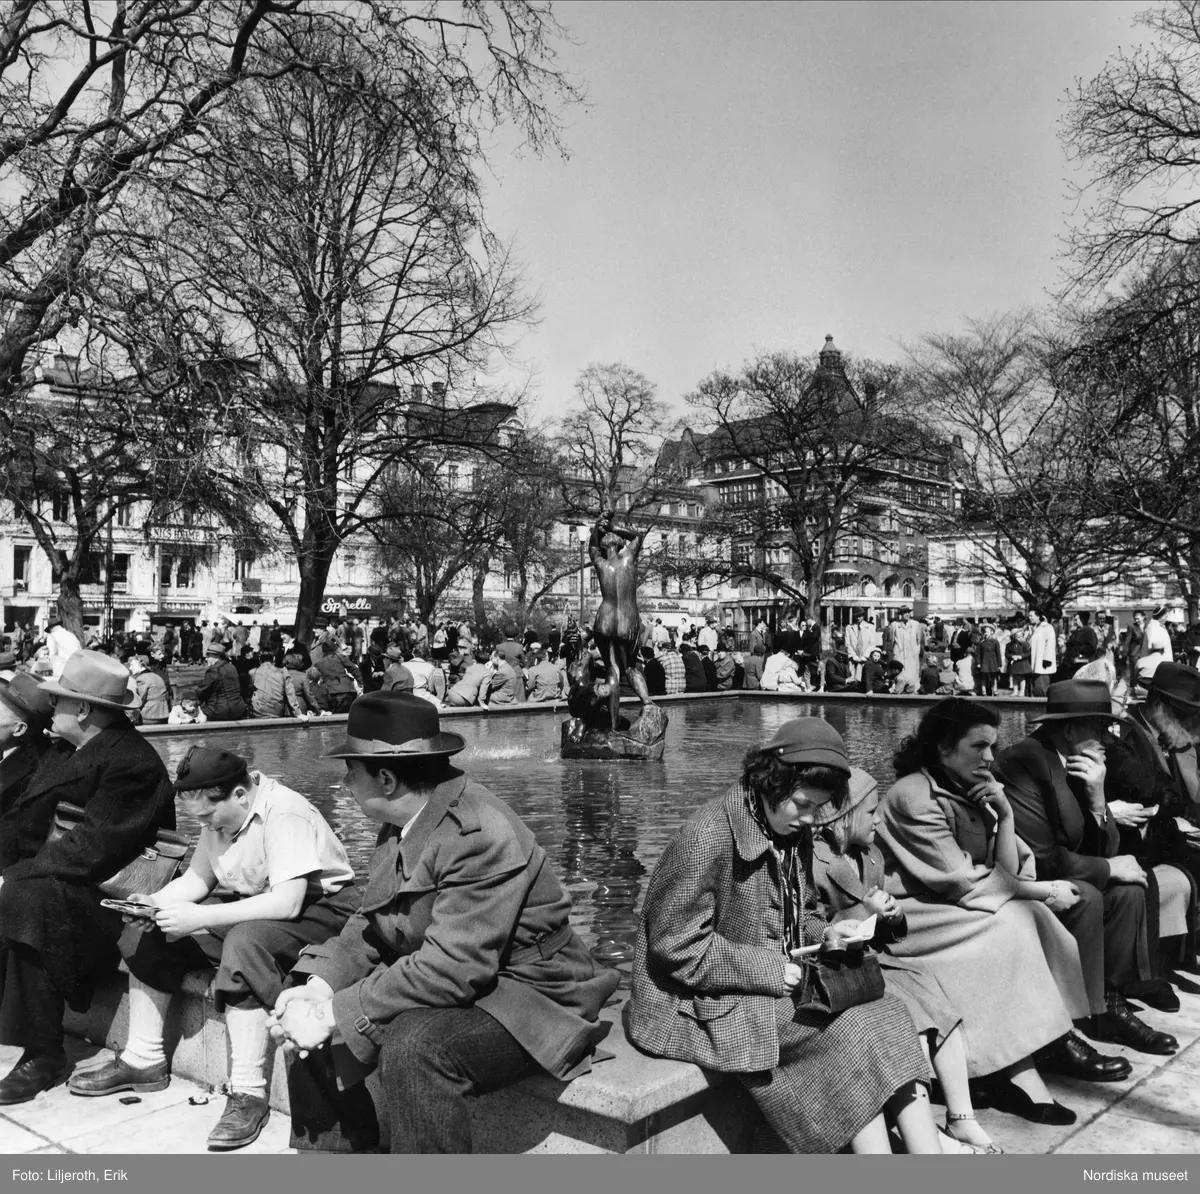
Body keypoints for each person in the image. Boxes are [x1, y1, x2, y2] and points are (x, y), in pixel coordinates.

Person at [268, 692, 620, 1153]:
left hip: (533, 990)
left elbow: (452, 970)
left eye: (350, 773)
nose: (344, 784)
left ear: (388, 779)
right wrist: (319, 988)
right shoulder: (405, 820)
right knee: (309, 993)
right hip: (464, 973)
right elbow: (373, 917)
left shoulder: (477, 832)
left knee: (416, 1047)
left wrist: (334, 1014)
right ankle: (338, 1155)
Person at [628, 718, 942, 1154]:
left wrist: (831, 931)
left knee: (886, 1011)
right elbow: (675, 946)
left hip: (759, 980)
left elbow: (801, 915)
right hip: (690, 1000)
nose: (812, 819)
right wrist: (771, 969)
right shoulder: (706, 837)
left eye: (820, 807)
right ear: (770, 782)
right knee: (849, 1031)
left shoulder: (790, 826)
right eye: (803, 804)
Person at [69, 748, 357, 1150]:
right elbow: (198, 881)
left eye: (207, 817)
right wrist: (155, 903)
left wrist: (200, 919)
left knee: (244, 944)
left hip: (320, 910)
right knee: (153, 933)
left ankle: (248, 1093)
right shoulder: (221, 815)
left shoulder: (285, 813)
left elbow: (287, 903)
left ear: (240, 794)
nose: (204, 825)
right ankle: (143, 1059)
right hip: (261, 905)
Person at [876, 699, 1125, 1126]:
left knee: (1029, 914)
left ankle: (1048, 1041)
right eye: (979, 747)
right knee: (1017, 919)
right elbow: (960, 880)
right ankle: (1031, 1065)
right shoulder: (913, 796)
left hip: (956, 908)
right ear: (943, 748)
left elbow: (1006, 870)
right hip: (915, 919)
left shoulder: (970, 784)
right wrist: (1042, 890)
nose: (990, 757)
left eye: (992, 746)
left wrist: (1005, 815)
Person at [0, 652, 176, 1104]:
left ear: (82, 710)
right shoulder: (70, 749)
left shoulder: (132, 764)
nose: (49, 708)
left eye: (56, 701)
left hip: (107, 902)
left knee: (26, 896)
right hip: (63, 886)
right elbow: (23, 824)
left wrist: (10, 877)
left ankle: (44, 1053)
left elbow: (91, 852)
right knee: (24, 890)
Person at [811, 774, 1001, 1153]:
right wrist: (862, 910)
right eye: (870, 813)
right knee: (908, 1016)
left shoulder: (871, 854)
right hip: (841, 971)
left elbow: (888, 933)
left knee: (938, 1004)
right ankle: (926, 1137)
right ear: (845, 817)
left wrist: (892, 916)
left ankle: (962, 1118)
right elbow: (811, 926)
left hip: (873, 960)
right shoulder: (817, 863)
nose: (879, 820)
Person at [993, 680, 1179, 1056]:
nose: (1108, 737)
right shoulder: (1023, 764)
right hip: (1024, 882)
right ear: (1071, 729)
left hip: (1063, 872)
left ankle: (1108, 999)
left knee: (1130, 889)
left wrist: (1097, 800)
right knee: (1092, 893)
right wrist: (1108, 867)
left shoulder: (1081, 762)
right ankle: (1087, 1010)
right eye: (1098, 727)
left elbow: (1098, 845)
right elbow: (1043, 858)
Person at [588, 510, 654, 733]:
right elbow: (638, 536)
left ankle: (614, 727)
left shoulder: (601, 565)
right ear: (619, 544)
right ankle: (647, 703)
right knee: (629, 667)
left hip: (604, 620)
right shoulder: (628, 559)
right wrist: (614, 527)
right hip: (627, 619)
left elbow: (593, 548)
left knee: (612, 670)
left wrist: (599, 526)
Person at [197, 641, 248, 722]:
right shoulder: (232, 667)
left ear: (217, 656)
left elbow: (201, 693)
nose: (206, 659)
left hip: (219, 711)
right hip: (239, 709)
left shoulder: (213, 670)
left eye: (208, 656)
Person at [889, 608, 925, 695]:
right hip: (900, 653)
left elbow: (920, 640)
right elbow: (891, 640)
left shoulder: (916, 624)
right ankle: (897, 689)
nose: (907, 614)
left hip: (911, 654)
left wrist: (917, 651)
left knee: (912, 672)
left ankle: (913, 689)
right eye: (905, 613)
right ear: (901, 614)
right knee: (899, 672)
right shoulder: (894, 625)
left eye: (908, 612)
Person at [128, 654, 170, 725]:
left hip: (149, 716)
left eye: (132, 665)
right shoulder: (157, 676)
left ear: (141, 664)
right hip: (164, 715)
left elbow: (138, 701)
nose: (130, 668)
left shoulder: (142, 679)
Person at [250, 651, 290, 719]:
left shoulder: (253, 672)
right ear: (273, 659)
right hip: (277, 710)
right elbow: (289, 692)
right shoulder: (281, 671)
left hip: (259, 710)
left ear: (260, 660)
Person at [1029, 610, 1058, 698]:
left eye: (1031, 616)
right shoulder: (1032, 628)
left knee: (1042, 687)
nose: (1029, 618)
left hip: (1043, 663)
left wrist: (1047, 659)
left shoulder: (1047, 627)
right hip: (1034, 662)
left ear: (1038, 616)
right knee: (1036, 688)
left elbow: (1050, 643)